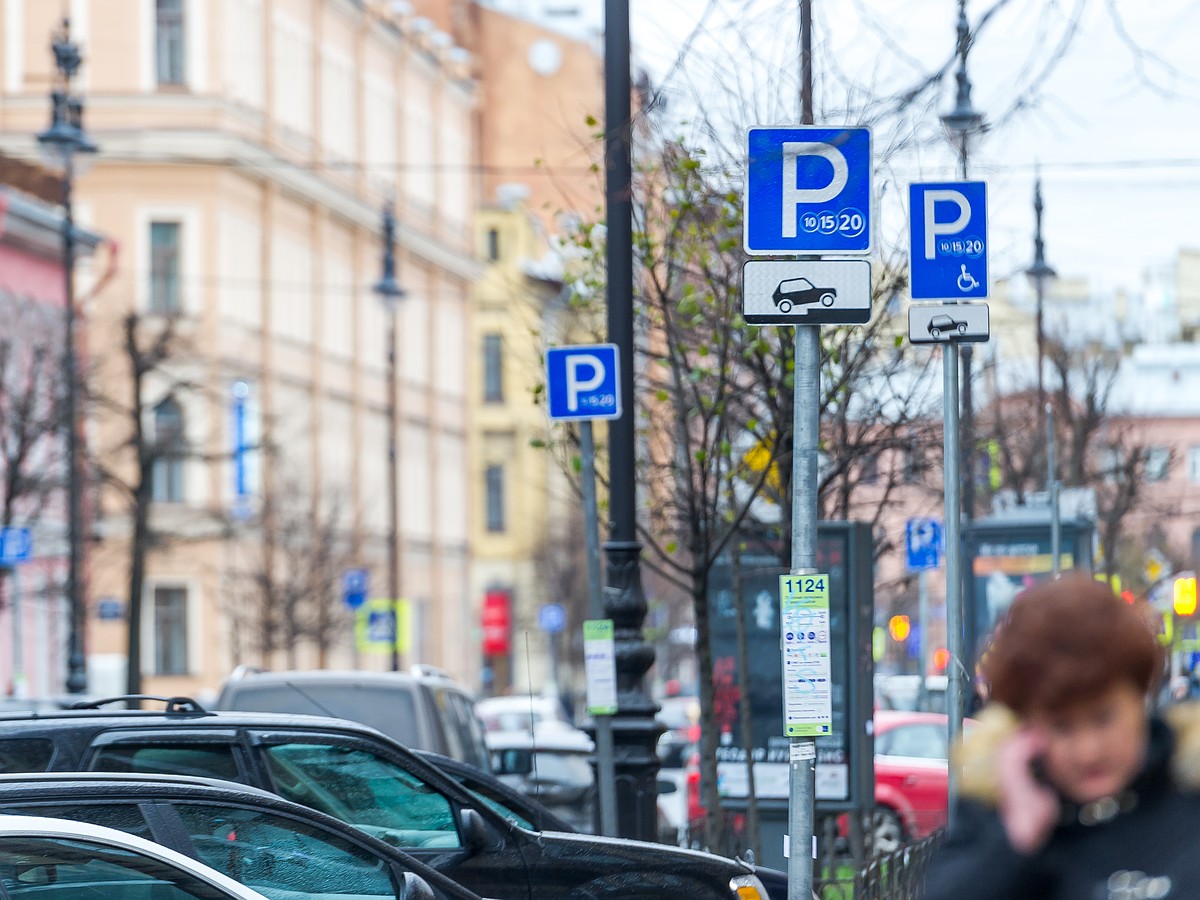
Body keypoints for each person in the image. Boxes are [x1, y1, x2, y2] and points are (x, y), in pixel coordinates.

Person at [924, 574, 1200, 900]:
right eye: (1062, 727)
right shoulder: (995, 811)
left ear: (1140, 696)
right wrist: (1017, 841)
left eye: (1103, 718)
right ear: (1025, 726)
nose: (1089, 751)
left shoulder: (1188, 795)